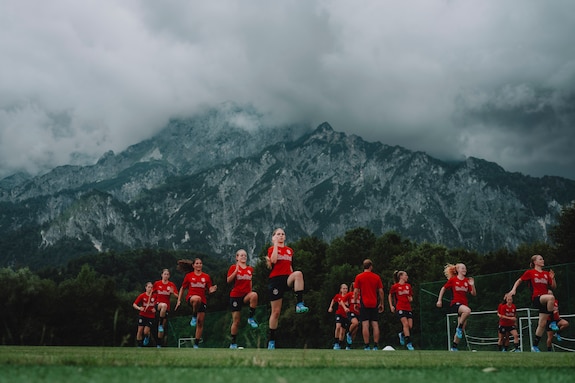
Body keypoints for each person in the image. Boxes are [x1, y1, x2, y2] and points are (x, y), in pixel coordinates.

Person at [266, 228, 309, 350]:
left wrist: (293, 279)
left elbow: (289, 266)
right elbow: (273, 260)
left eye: (282, 234)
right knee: (276, 312)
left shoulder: (289, 251)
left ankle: (299, 303)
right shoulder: (271, 249)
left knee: (298, 274)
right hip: (275, 281)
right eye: (278, 234)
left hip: (286, 278)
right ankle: (271, 340)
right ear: (274, 237)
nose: (281, 236)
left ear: (285, 237)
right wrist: (275, 245)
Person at [505, 254, 557, 352]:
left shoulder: (546, 274)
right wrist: (513, 290)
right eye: (540, 259)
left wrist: (553, 278)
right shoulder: (530, 272)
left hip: (545, 300)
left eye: (543, 258)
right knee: (551, 297)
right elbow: (519, 280)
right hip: (537, 298)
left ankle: (534, 346)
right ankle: (553, 321)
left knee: (542, 324)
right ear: (535, 262)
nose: (543, 260)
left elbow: (553, 287)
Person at [175, 258, 218, 349]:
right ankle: (194, 315)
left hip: (202, 301)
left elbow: (209, 289)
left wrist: (212, 289)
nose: (199, 265)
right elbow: (182, 288)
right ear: (193, 265)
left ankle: (196, 345)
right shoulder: (189, 276)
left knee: (200, 323)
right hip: (191, 298)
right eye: (197, 263)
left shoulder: (206, 277)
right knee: (197, 299)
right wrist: (179, 300)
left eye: (200, 263)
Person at [436, 263, 476, 351]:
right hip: (455, 304)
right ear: (457, 270)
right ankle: (459, 327)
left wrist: (472, 284)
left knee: (462, 329)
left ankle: (454, 347)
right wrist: (439, 300)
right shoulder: (453, 280)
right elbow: (443, 288)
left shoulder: (466, 281)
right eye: (462, 268)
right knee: (468, 311)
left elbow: (473, 294)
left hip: (463, 305)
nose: (464, 270)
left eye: (465, 268)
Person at [227, 249, 259, 349]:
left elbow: (250, 282)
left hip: (246, 295)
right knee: (236, 321)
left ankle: (251, 318)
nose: (243, 257)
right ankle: (233, 343)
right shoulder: (233, 267)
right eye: (241, 255)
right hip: (236, 296)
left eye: (245, 255)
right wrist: (236, 271)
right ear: (237, 257)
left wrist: (250, 291)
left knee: (254, 295)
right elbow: (228, 280)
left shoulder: (250, 269)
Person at [353, 259, 384, 350]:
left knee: (365, 325)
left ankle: (366, 346)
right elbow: (381, 291)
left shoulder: (359, 277)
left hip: (364, 303)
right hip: (374, 302)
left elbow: (356, 291)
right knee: (375, 324)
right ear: (371, 266)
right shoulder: (376, 277)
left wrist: (355, 302)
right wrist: (381, 303)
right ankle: (375, 346)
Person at [388, 270, 414, 351]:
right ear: (401, 277)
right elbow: (390, 295)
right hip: (400, 307)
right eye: (405, 275)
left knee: (410, 326)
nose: (407, 277)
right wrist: (391, 305)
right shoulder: (395, 286)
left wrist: (410, 299)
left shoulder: (408, 286)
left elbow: (411, 297)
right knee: (405, 324)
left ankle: (402, 334)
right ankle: (409, 344)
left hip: (408, 308)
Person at [152, 268, 179, 347]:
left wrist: (173, 292)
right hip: (158, 305)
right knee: (163, 305)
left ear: (169, 276)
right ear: (162, 275)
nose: (166, 276)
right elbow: (152, 293)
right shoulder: (157, 283)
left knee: (162, 328)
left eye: (167, 274)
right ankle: (159, 325)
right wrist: (150, 305)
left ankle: (159, 344)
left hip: (166, 308)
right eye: (165, 274)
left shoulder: (171, 285)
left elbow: (177, 296)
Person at [132, 282, 157, 347]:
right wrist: (139, 308)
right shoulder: (142, 296)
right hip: (142, 315)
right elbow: (134, 304)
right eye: (149, 287)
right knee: (140, 330)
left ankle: (147, 337)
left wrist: (155, 308)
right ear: (146, 288)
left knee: (146, 332)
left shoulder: (154, 296)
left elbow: (158, 303)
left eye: (151, 287)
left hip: (151, 316)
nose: (150, 289)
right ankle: (139, 346)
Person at [328, 283, 350, 350]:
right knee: (338, 327)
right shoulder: (338, 296)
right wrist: (330, 307)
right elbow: (333, 300)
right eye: (343, 288)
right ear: (341, 289)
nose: (345, 290)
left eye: (346, 288)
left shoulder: (349, 296)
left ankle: (340, 344)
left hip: (346, 316)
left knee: (343, 331)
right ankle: (336, 342)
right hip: (339, 314)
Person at [344, 281, 361, 348]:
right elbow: (342, 301)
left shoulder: (360, 295)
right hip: (351, 312)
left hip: (359, 313)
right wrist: (345, 307)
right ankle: (349, 334)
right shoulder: (350, 294)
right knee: (355, 323)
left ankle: (349, 346)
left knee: (355, 330)